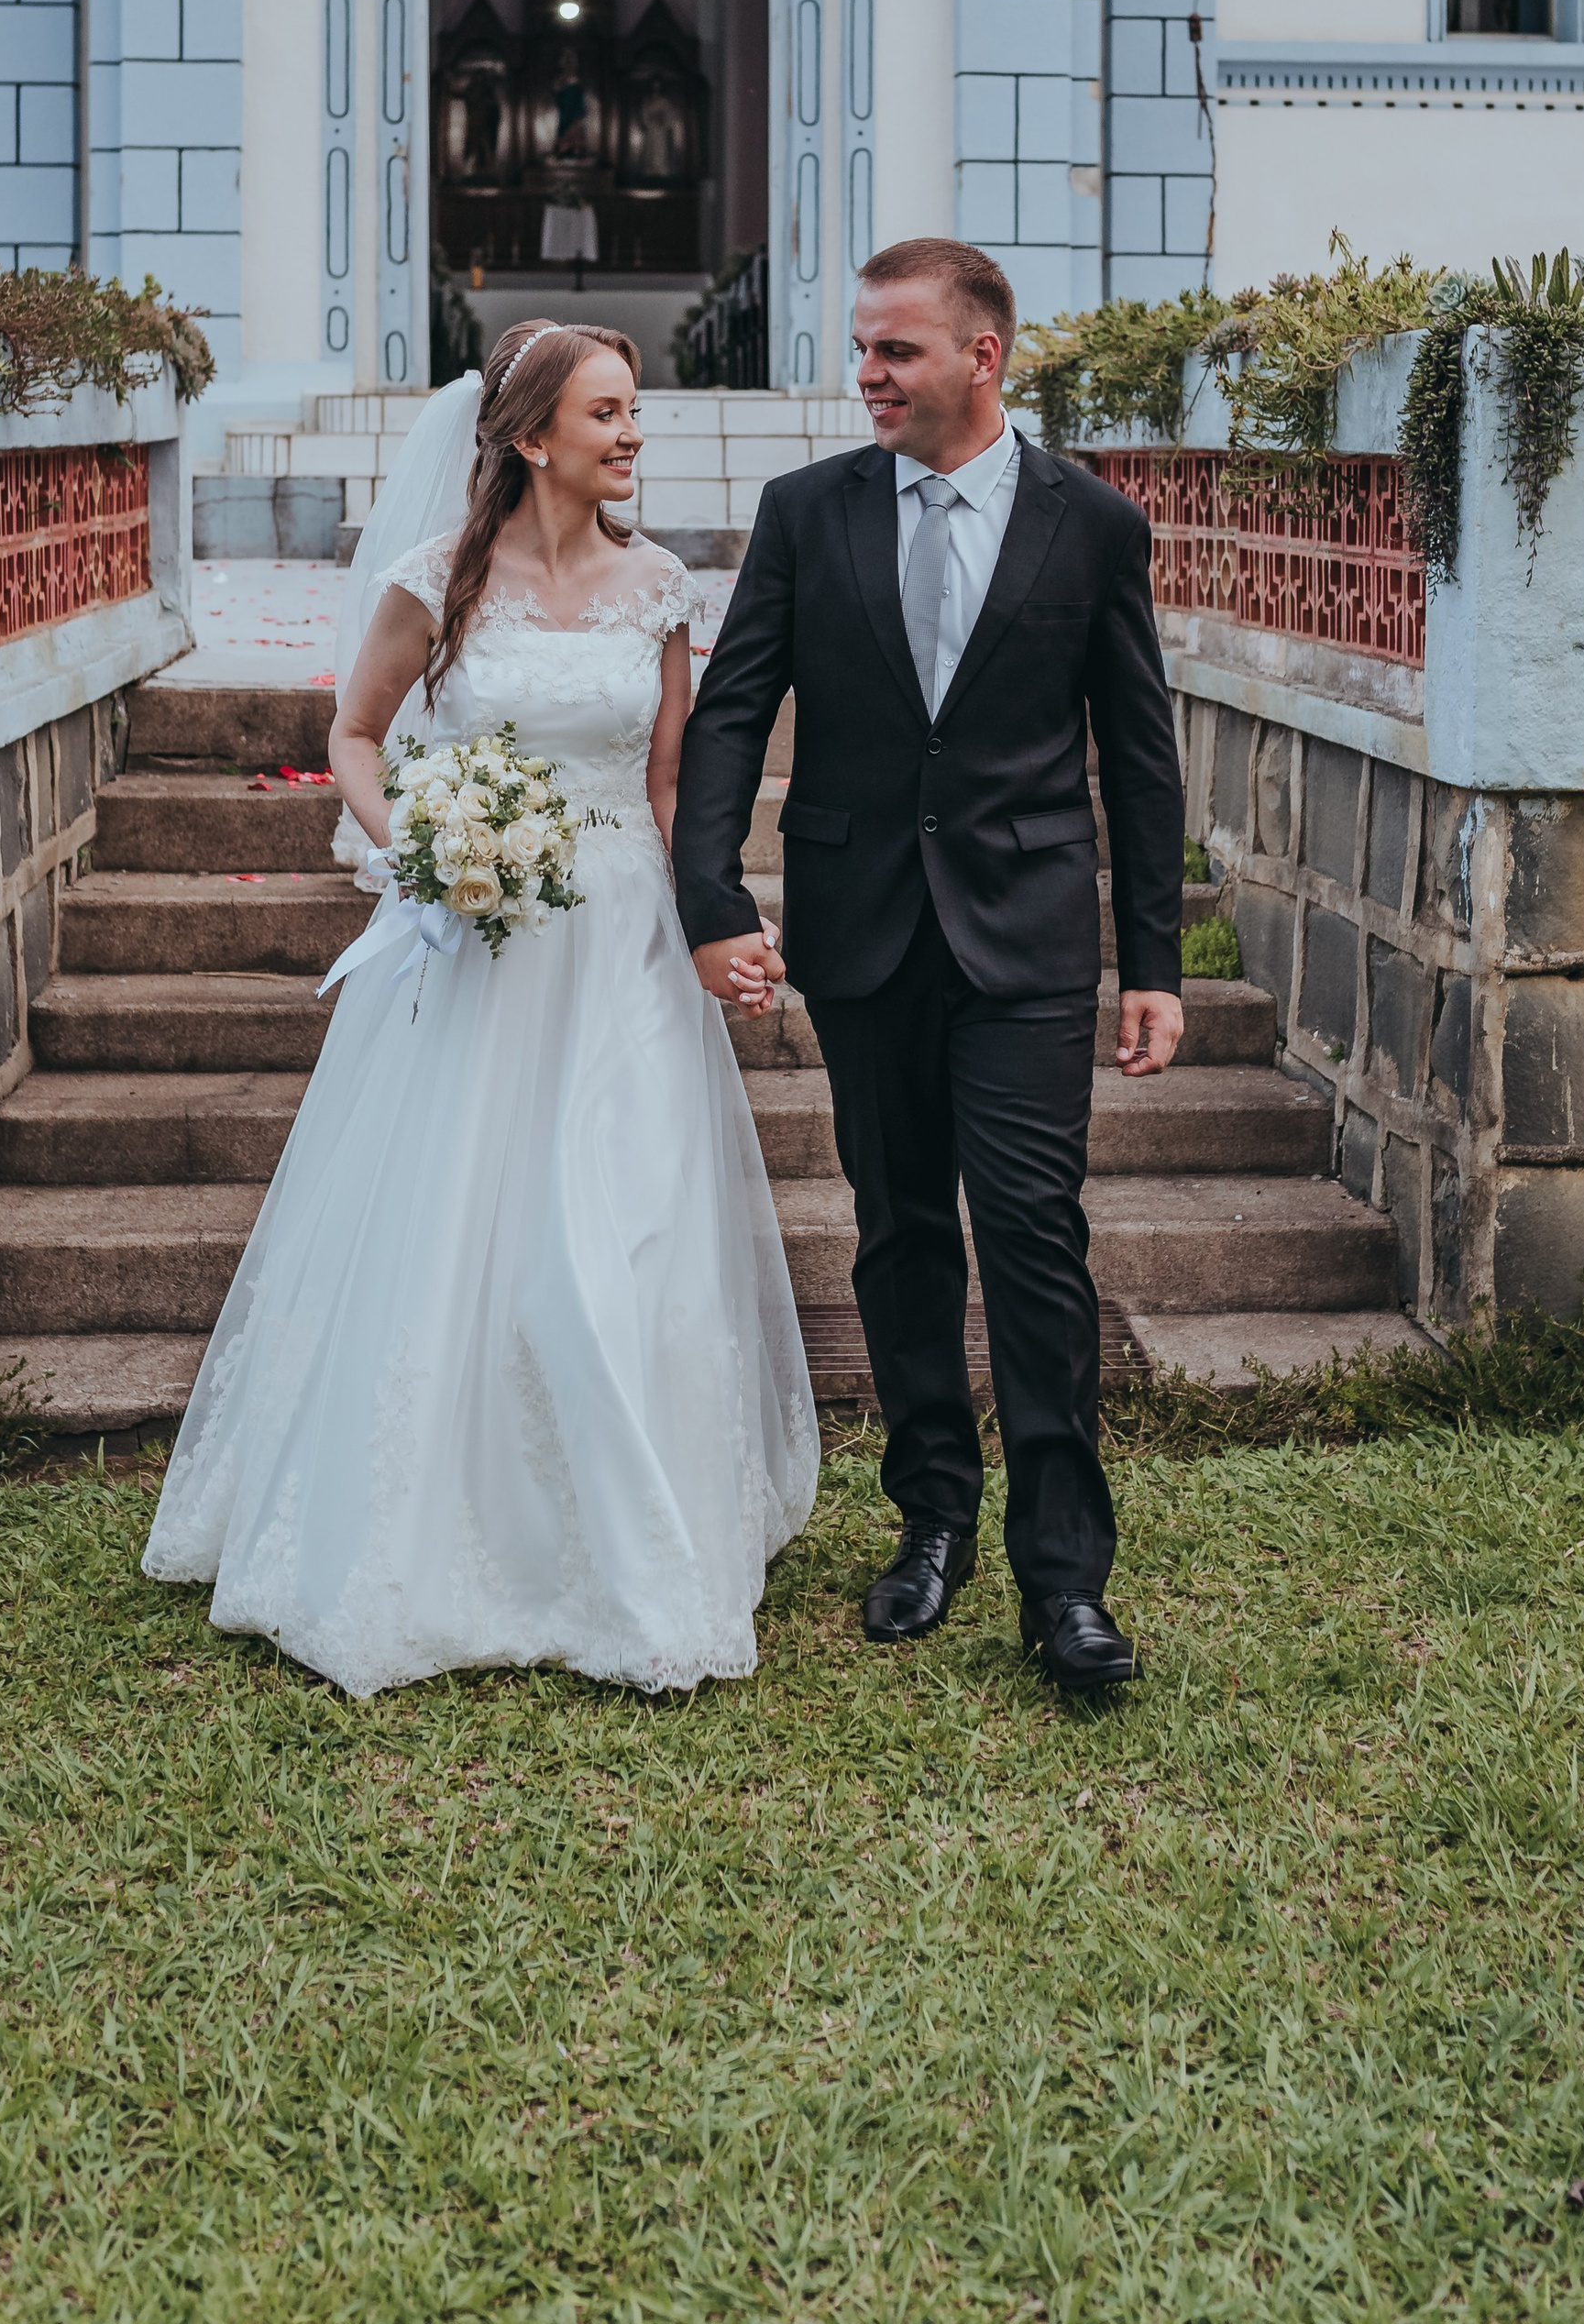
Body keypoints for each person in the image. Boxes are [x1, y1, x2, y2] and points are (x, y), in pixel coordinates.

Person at [143, 322, 820, 1697]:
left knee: (620, 1220)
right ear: (531, 436)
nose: (634, 437)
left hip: (623, 936)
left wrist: (721, 919)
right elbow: (355, 734)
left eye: (635, 415)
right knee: (460, 1218)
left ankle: (645, 1534)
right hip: (478, 943)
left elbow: (678, 786)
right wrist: (420, 851)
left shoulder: (659, 590)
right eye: (610, 414)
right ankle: (437, 1529)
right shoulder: (431, 583)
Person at [673, 238, 1185, 1694]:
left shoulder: (1093, 524)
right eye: (863, 347)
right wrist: (712, 894)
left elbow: (1137, 755)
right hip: (863, 926)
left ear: (984, 358)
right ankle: (931, 1523)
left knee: (1033, 1235)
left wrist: (1148, 954)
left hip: (1026, 934)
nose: (868, 374)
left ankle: (1065, 1580)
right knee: (900, 1233)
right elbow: (731, 715)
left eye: (896, 350)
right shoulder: (805, 512)